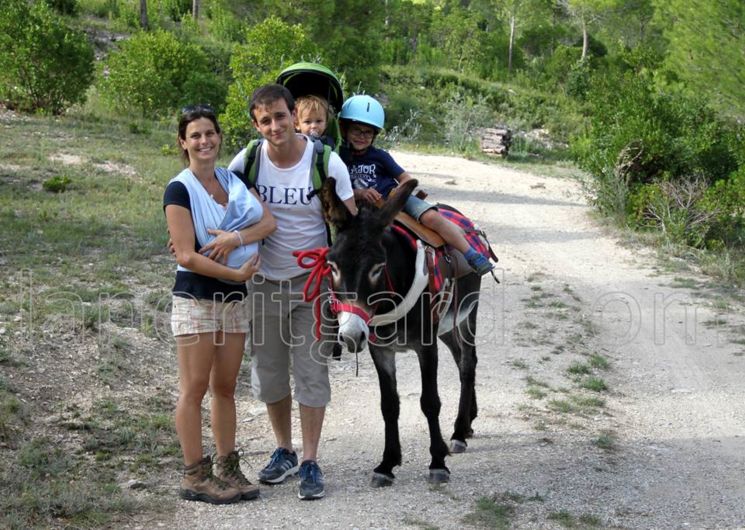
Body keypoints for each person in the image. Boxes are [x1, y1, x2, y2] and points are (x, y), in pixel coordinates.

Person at [227, 84, 358, 500]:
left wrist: (346, 281)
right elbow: (220, 207)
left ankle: (311, 460)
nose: (275, 126)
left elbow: (351, 224)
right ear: (255, 124)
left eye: (281, 116)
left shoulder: (325, 161)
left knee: (311, 371)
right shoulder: (247, 162)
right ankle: (283, 449)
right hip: (263, 282)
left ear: (292, 114)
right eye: (265, 120)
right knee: (269, 372)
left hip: (313, 283)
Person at [164, 104, 276, 504]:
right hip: (197, 296)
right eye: (194, 135)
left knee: (225, 387)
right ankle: (195, 475)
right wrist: (235, 275)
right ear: (183, 142)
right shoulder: (179, 188)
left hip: (233, 301)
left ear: (219, 137)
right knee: (194, 388)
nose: (204, 141)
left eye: (209, 133)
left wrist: (235, 240)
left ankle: (228, 466)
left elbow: (268, 223)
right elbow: (185, 254)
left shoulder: (233, 180)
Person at [338, 94, 494, 275]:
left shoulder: (380, 156)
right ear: (344, 129)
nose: (362, 136)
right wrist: (359, 193)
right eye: (356, 130)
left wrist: (397, 194)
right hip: (356, 206)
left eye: (368, 132)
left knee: (431, 218)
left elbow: (406, 179)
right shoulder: (339, 158)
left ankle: (471, 254)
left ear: (375, 135)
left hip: (391, 200)